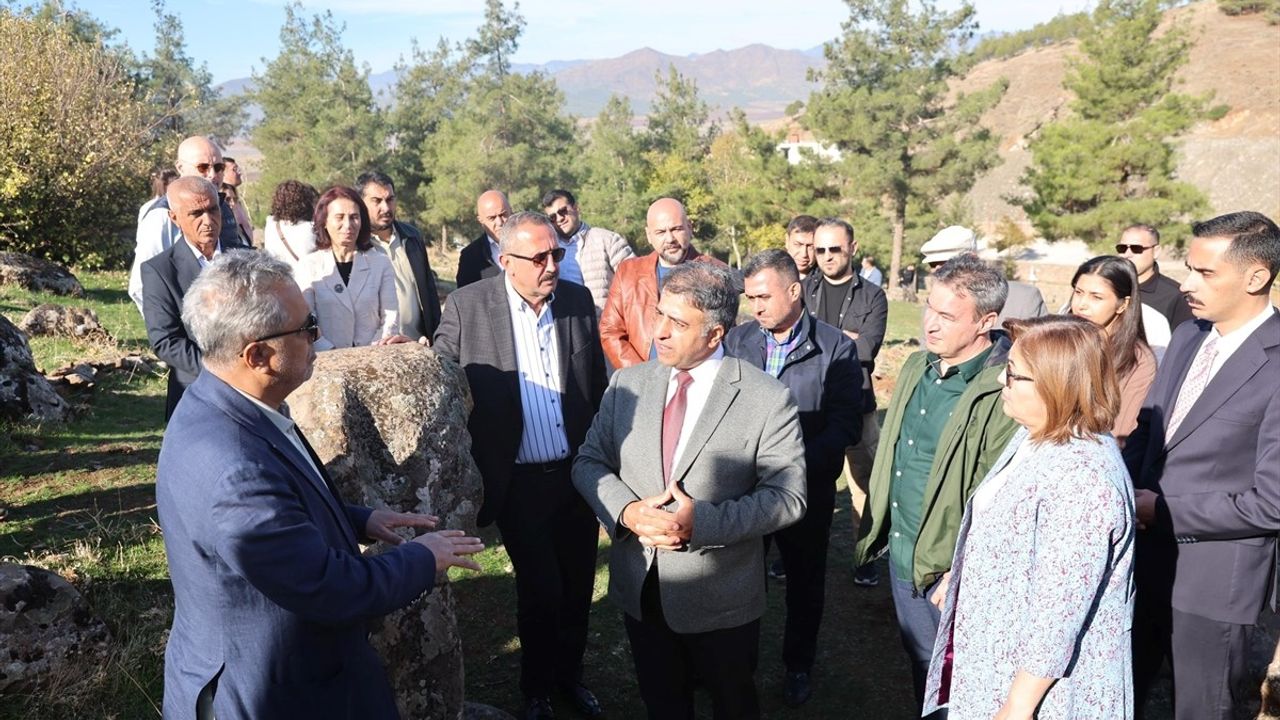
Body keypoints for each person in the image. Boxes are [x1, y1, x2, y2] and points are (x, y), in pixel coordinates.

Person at [158, 249, 484, 719]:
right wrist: (422, 558)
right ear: (258, 355)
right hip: (278, 693)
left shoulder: (223, 404)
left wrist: (359, 520)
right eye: (306, 328)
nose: (318, 336)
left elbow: (275, 517)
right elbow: (328, 588)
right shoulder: (233, 466)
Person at [573, 262, 807, 720]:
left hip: (723, 600)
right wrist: (627, 512)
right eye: (660, 314)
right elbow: (588, 462)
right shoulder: (627, 384)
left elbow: (789, 496)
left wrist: (701, 521)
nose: (658, 331)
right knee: (663, 703)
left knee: (733, 703)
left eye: (678, 323)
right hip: (643, 589)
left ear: (715, 334)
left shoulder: (766, 398)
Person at [433, 212, 608, 720]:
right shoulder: (469, 306)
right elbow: (444, 370)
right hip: (518, 480)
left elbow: (593, 386)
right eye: (539, 258)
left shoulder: (576, 302)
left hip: (575, 475)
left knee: (577, 586)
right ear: (506, 262)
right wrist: (412, 353)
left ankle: (569, 679)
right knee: (541, 589)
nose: (552, 265)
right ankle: (536, 690)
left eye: (557, 254)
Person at [922, 315, 1135, 720]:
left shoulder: (1083, 480)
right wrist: (966, 572)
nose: (1003, 381)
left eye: (1014, 375)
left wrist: (1017, 708)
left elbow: (1058, 614)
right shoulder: (1035, 433)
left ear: (1057, 386)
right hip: (996, 664)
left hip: (1040, 694)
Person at [1126, 211, 1280, 720]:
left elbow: (1271, 502)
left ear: (1256, 277)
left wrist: (1161, 511)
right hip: (1139, 563)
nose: (1187, 284)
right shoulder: (1190, 335)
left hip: (1214, 583)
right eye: (1188, 268)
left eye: (1205, 273)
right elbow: (1152, 429)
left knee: (1202, 709)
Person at [853, 253, 1019, 718]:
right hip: (904, 554)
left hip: (950, 573)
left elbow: (998, 495)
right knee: (922, 666)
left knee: (960, 680)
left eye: (948, 316)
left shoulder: (1002, 389)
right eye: (930, 307)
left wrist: (961, 568)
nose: (930, 323)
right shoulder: (915, 367)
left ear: (986, 321)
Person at [722, 249, 860, 707]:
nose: (755, 307)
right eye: (750, 298)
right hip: (742, 490)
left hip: (804, 491)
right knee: (741, 579)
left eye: (764, 297)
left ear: (795, 291)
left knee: (805, 582)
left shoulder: (837, 347)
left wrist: (790, 466)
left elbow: (845, 425)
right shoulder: (738, 341)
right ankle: (736, 663)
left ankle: (798, 665)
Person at [803, 217, 888, 586]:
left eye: (833, 249)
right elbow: (792, 339)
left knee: (866, 485)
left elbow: (866, 348)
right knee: (803, 478)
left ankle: (864, 554)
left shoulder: (873, 296)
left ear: (852, 248)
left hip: (856, 403)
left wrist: (819, 336)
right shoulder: (802, 288)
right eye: (819, 249)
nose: (825, 256)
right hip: (808, 402)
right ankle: (794, 554)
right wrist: (843, 338)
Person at [600, 198, 730, 369]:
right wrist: (640, 375)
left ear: (689, 228)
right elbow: (610, 330)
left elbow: (726, 336)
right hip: (643, 381)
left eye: (676, 229)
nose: (670, 239)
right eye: (661, 232)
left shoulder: (716, 273)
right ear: (649, 235)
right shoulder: (628, 273)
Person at [129, 135, 248, 315]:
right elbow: (142, 285)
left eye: (218, 167)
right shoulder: (160, 216)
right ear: (180, 168)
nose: (212, 175)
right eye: (202, 167)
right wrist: (169, 327)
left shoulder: (224, 207)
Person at [141, 177, 228, 420]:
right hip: (195, 391)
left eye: (213, 209)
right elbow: (165, 340)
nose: (208, 221)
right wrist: (224, 371)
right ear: (175, 218)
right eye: (196, 213)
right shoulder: (160, 271)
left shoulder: (244, 257)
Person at [293, 187, 403, 351]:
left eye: (354, 217)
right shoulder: (308, 266)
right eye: (339, 217)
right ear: (324, 221)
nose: (348, 225)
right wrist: (329, 351)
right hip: (324, 361)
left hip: (374, 358)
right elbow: (306, 319)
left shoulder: (380, 263)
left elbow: (390, 317)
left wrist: (375, 350)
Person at [1069, 256, 1157, 443]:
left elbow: (1122, 433)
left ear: (1123, 304)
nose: (1081, 304)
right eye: (1078, 292)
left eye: (1096, 297)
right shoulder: (1060, 340)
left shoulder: (1137, 360)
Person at [357, 171, 443, 342]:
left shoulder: (412, 237)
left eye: (390, 199)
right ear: (361, 203)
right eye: (377, 201)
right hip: (374, 349)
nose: (386, 208)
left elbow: (429, 294)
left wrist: (437, 340)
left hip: (417, 345)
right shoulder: (355, 245)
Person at [920, 226, 1047, 325]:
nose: (938, 270)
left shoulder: (1024, 299)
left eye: (946, 263)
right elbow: (928, 352)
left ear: (972, 259)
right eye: (933, 264)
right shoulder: (934, 304)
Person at [540, 189, 634, 312]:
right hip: (566, 325)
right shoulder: (548, 251)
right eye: (552, 217)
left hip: (603, 325)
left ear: (576, 208)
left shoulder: (607, 240)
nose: (559, 219)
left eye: (563, 211)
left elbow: (635, 282)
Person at [1117, 223, 1195, 331]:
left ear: (1156, 251)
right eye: (1122, 248)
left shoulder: (1175, 296)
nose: (1127, 254)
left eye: (1136, 248)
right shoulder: (1110, 287)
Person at [456, 189, 511, 287]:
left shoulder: (530, 245)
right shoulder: (470, 256)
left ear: (511, 211)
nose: (499, 222)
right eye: (492, 218)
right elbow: (465, 297)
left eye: (503, 215)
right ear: (481, 220)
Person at [263, 180, 320, 272]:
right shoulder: (311, 229)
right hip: (306, 279)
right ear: (305, 202)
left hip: (279, 280)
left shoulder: (271, 225)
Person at [221, 156, 254, 244]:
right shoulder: (222, 197)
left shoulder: (234, 196)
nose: (239, 173)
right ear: (222, 173)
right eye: (234, 169)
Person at [784, 215, 819, 281]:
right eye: (798, 245)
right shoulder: (770, 274)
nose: (804, 254)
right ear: (787, 241)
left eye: (810, 246)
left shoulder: (827, 282)